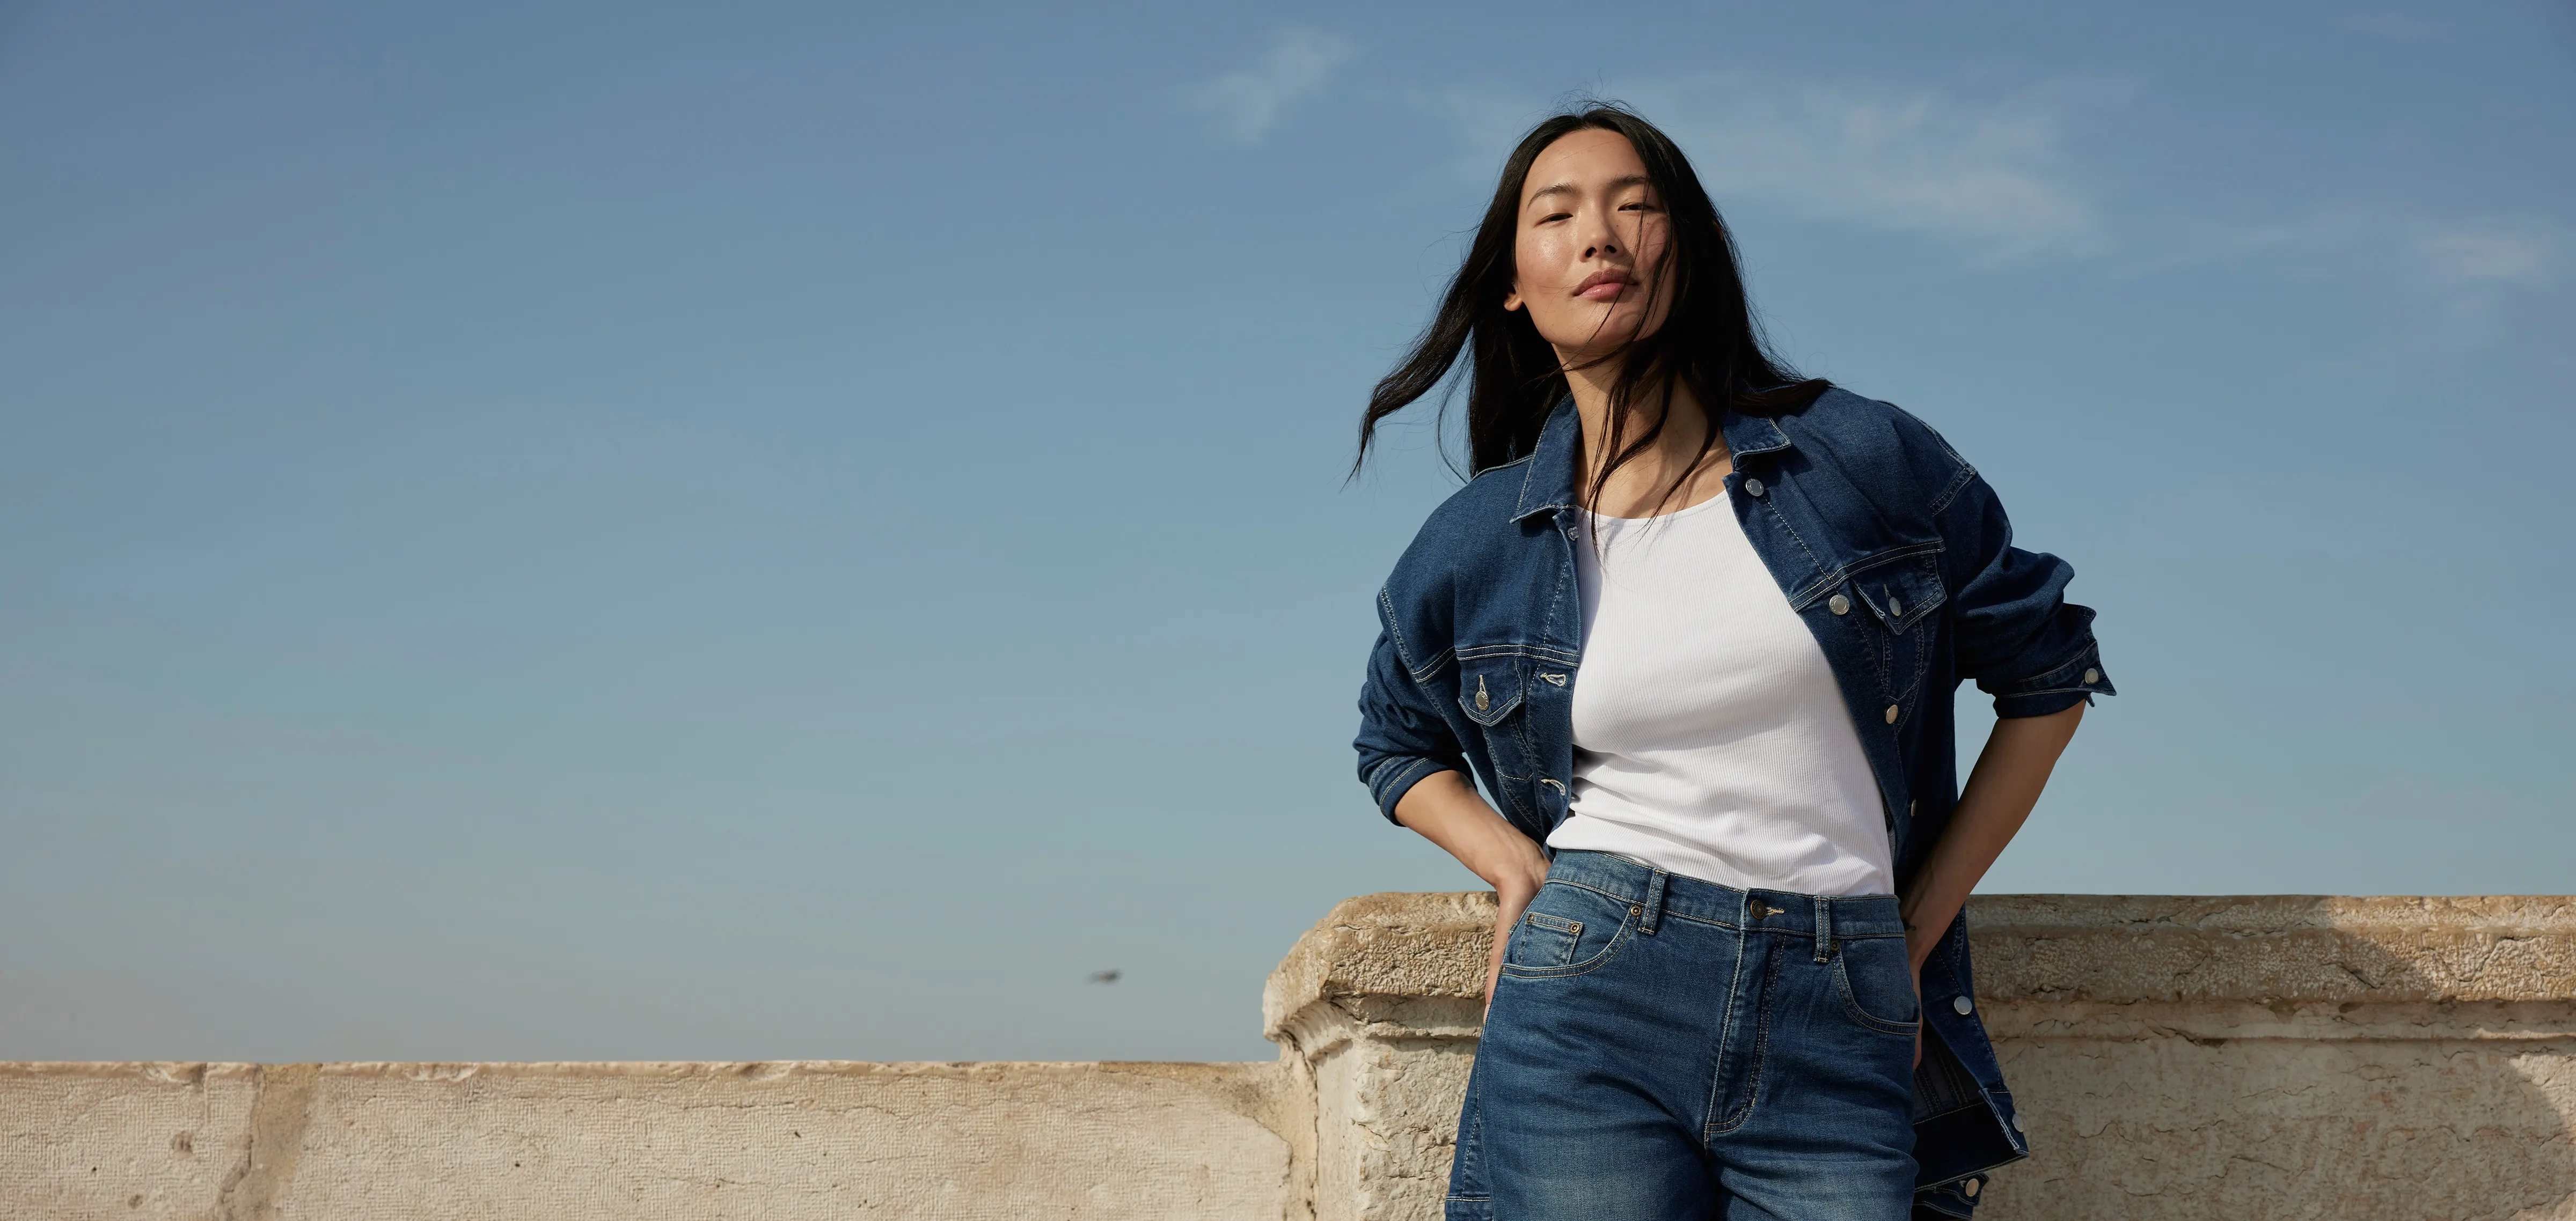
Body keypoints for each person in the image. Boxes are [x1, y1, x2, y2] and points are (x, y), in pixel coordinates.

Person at [1350, 105, 2111, 1221]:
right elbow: (1392, 742)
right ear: (1514, 284)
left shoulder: (1858, 458)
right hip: (1594, 984)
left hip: (1840, 992)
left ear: (1688, 251)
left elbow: (2048, 677)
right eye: (1556, 216)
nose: (1600, 236)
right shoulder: (1482, 539)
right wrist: (1515, 865)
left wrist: (1914, 922)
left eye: (1637, 205)